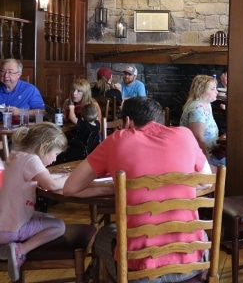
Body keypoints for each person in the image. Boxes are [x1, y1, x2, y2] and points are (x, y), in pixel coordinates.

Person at [63, 97, 212, 282]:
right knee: (200, 231)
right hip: (191, 264)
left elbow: (70, 188)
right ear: (160, 120)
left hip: (141, 270)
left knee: (102, 236)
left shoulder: (117, 139)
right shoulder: (185, 135)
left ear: (127, 122)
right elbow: (206, 181)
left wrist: (114, 188)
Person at [0, 123, 68, 281]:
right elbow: (50, 185)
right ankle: (20, 250)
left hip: (3, 223)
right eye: (55, 154)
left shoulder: (17, 154)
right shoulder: (32, 160)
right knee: (59, 226)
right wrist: (69, 179)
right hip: (10, 228)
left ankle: (4, 247)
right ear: (45, 146)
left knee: (49, 219)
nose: (55, 159)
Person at [180, 75, 222, 169]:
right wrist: (207, 162)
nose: (216, 91)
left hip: (213, 150)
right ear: (201, 91)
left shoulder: (206, 104)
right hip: (201, 156)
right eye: (212, 89)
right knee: (235, 162)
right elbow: (198, 138)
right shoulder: (197, 109)